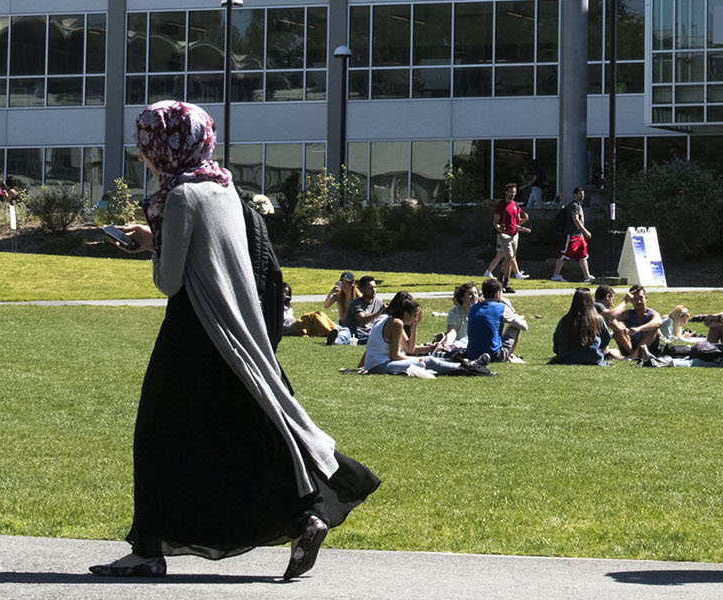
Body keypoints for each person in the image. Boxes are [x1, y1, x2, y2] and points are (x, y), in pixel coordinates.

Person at [90, 100, 379, 580]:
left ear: (165, 145)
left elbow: (169, 281)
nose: (143, 154)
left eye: (147, 144)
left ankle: (148, 550)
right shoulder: (221, 187)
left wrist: (153, 239)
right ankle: (306, 514)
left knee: (159, 437)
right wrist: (153, 235)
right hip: (236, 335)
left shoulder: (180, 196)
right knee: (237, 437)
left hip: (193, 330)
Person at [359, 292, 479, 376]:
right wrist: (418, 359)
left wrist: (415, 326)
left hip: (377, 365)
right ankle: (469, 369)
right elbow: (395, 356)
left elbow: (409, 348)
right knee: (428, 361)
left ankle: (468, 365)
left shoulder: (388, 319)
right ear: (406, 314)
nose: (415, 319)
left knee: (430, 359)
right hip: (380, 366)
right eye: (415, 316)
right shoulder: (396, 323)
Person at [465, 278, 529, 363]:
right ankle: (508, 357)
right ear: (498, 294)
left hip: (472, 354)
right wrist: (513, 310)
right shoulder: (501, 308)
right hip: (494, 356)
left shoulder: (473, 308)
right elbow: (524, 326)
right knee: (515, 326)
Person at [483, 183, 532, 292]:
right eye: (510, 192)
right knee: (509, 257)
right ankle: (500, 281)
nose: (512, 194)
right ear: (506, 192)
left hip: (515, 235)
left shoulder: (515, 205)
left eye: (514, 192)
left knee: (509, 259)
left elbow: (517, 221)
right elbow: (495, 223)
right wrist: (500, 229)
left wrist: (524, 220)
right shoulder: (500, 205)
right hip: (504, 236)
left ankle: (505, 284)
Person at [550, 288, 619, 365]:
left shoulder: (565, 320)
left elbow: (556, 342)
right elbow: (605, 339)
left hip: (566, 357)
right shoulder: (598, 319)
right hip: (592, 357)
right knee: (616, 351)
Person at [550, 188, 593, 283]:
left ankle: (587, 276)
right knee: (564, 255)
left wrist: (582, 233)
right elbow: (576, 219)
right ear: (575, 195)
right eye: (580, 194)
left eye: (583, 194)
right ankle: (555, 275)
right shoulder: (574, 205)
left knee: (583, 255)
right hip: (572, 235)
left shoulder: (578, 205)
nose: (582, 196)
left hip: (579, 236)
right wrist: (585, 231)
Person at [328, 276, 384, 346]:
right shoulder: (356, 304)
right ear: (362, 289)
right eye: (370, 288)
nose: (374, 290)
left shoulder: (378, 301)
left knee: (377, 338)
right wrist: (379, 312)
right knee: (345, 335)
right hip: (352, 332)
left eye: (375, 287)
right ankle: (334, 341)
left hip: (368, 334)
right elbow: (362, 320)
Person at [617, 285, 668, 360]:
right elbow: (611, 318)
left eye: (641, 298)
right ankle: (633, 355)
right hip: (630, 348)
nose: (638, 301)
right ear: (631, 300)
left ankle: (634, 355)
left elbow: (658, 322)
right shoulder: (628, 314)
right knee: (617, 327)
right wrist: (625, 300)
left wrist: (639, 329)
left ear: (646, 298)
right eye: (635, 298)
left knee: (653, 329)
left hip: (649, 349)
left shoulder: (652, 313)